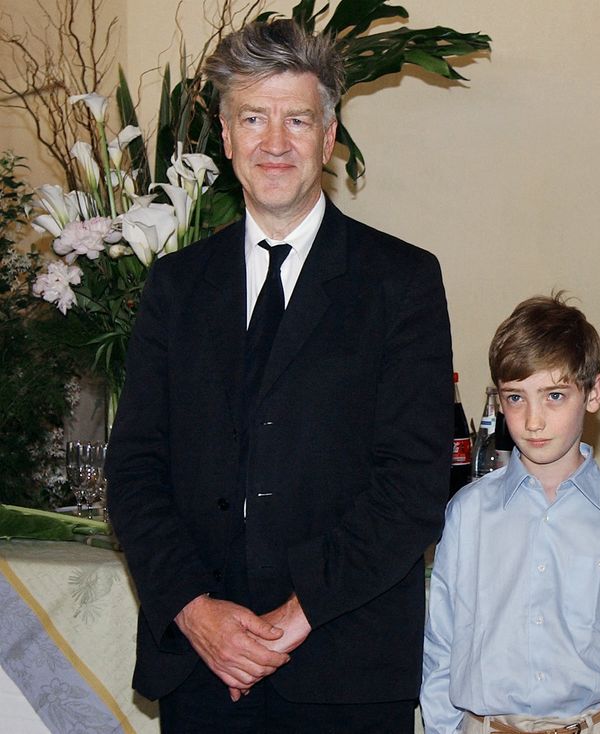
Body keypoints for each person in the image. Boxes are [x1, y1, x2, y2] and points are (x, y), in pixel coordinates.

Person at [104, 19, 453, 733]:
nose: (275, 142)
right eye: (253, 118)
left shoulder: (402, 283)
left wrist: (291, 622)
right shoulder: (174, 288)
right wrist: (198, 614)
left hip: (342, 666)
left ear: (328, 139)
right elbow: (134, 470)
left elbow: (412, 485)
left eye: (298, 120)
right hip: (202, 670)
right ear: (226, 138)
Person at [421, 294, 600, 734]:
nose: (533, 420)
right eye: (516, 398)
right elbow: (441, 641)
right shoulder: (469, 512)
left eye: (554, 395)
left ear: (593, 393)